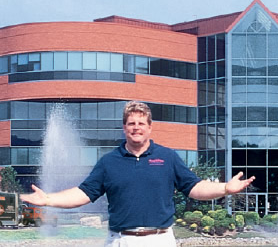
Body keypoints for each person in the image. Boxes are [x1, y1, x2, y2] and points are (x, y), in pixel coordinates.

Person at [21, 101, 255, 246]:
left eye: (141, 123)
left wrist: (224, 188)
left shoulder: (168, 157)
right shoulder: (108, 162)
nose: (136, 128)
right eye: (131, 123)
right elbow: (83, 194)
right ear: (124, 127)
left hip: (160, 239)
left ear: (150, 127)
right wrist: (49, 199)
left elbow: (195, 188)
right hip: (120, 240)